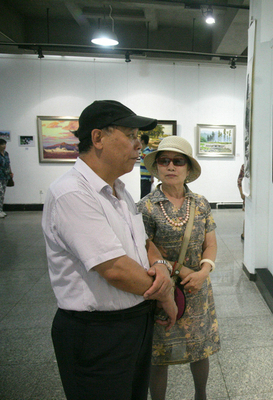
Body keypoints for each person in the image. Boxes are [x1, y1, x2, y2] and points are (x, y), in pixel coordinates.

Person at [41, 100, 178, 400]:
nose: (138, 143)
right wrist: (165, 292)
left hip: (134, 324)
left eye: (138, 137)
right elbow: (115, 269)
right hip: (97, 334)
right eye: (130, 135)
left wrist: (161, 266)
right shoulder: (72, 193)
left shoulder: (119, 190)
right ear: (98, 138)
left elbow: (143, 243)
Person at [137, 136, 220, 400]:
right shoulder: (146, 207)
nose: (171, 166)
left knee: (199, 349)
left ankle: (201, 396)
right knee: (159, 353)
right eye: (164, 161)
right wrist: (182, 272)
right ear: (157, 167)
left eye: (178, 161)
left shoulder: (201, 203)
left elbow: (210, 244)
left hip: (197, 289)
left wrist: (203, 272)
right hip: (164, 289)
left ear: (187, 168)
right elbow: (146, 251)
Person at [140, 133, 154, 198]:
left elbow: (151, 164)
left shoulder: (147, 152)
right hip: (143, 177)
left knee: (145, 197)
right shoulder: (143, 151)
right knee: (143, 195)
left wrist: (152, 177)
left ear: (142, 141)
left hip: (146, 178)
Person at [237, 164, 245, 240]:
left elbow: (239, 180)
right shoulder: (245, 165)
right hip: (249, 195)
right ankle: (245, 234)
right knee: (247, 216)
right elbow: (240, 180)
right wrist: (242, 193)